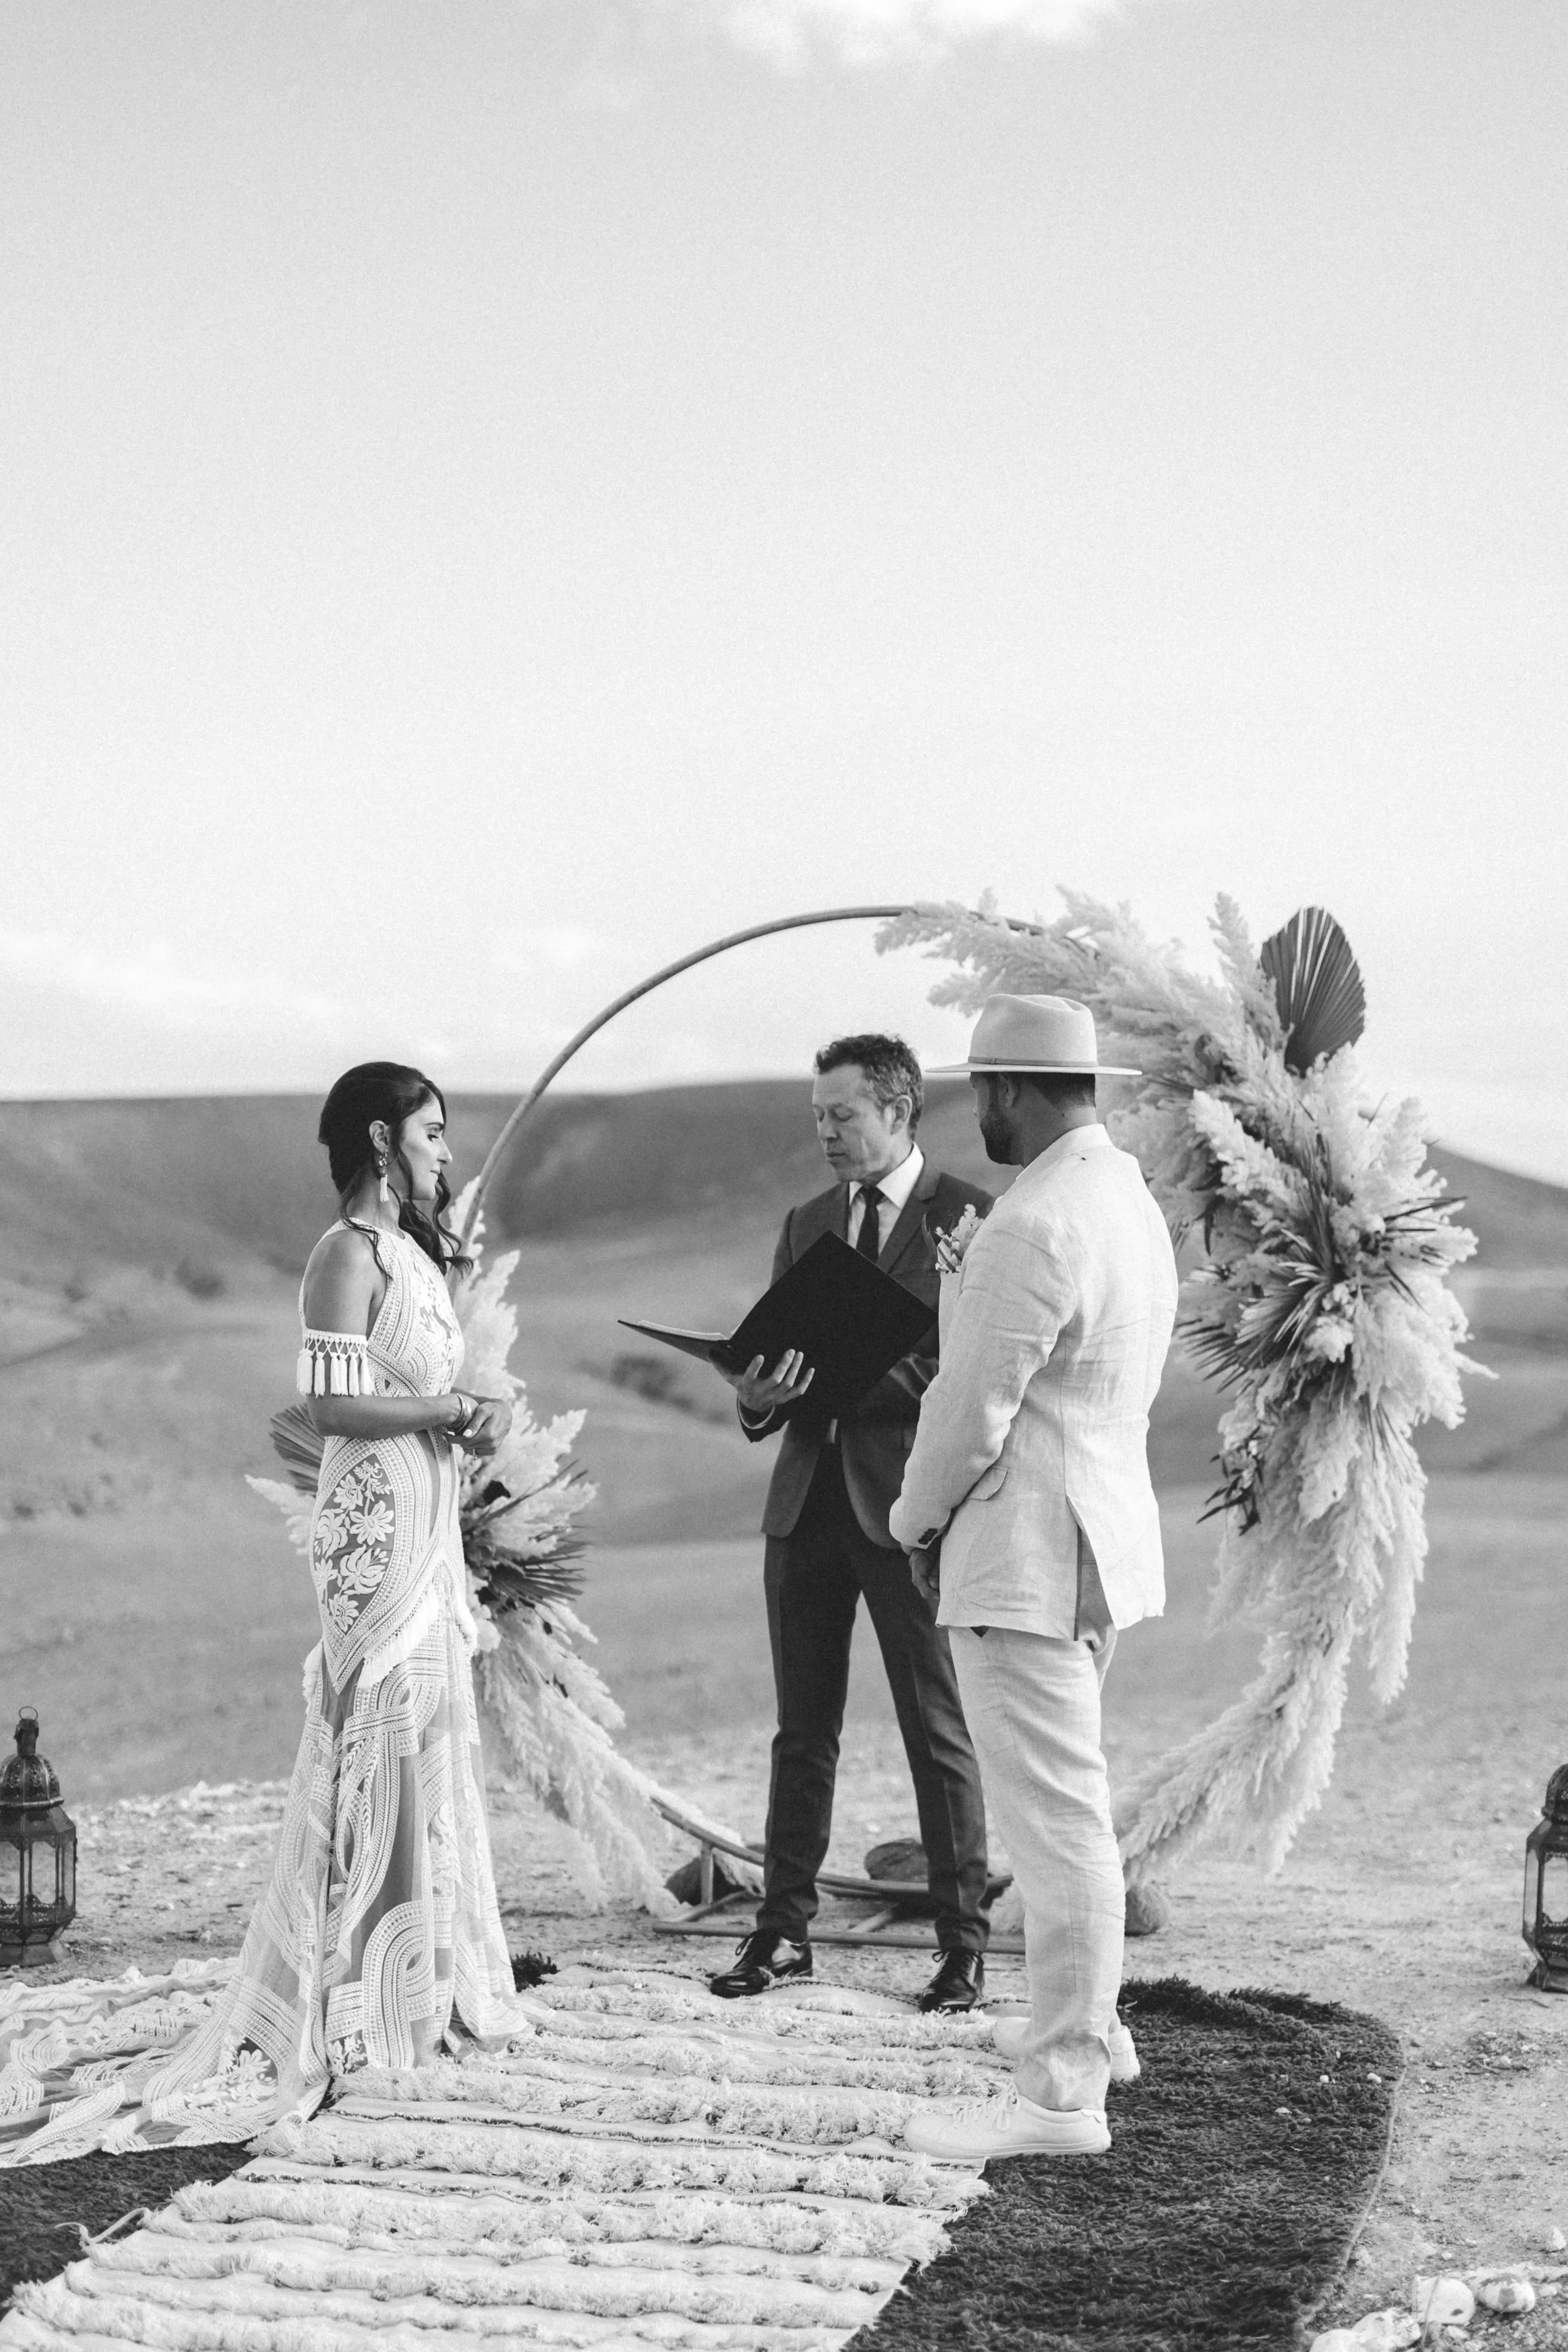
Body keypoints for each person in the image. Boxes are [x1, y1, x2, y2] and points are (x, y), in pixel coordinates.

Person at [5, 1065, 531, 2163]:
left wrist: (462, 1422)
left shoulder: (417, 1256)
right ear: (384, 1138)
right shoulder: (341, 1255)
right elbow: (331, 1403)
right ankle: (361, 1993)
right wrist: (448, 1408)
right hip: (372, 1527)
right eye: (433, 1132)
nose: (445, 1149)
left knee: (429, 1727)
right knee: (379, 1727)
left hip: (427, 1515)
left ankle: (424, 1979)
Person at [889, 996, 1178, 2160]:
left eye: (980, 1092)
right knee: (1073, 1806)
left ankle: (1061, 2095)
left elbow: (970, 1411)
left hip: (1024, 1555)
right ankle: (1090, 2029)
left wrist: (914, 1521)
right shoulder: (1125, 1198)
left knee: (1057, 1830)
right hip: (1096, 1540)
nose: (977, 1114)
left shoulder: (1034, 1219)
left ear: (1012, 1087)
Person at [706, 1033, 996, 2013]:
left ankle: (964, 1947)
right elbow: (777, 1375)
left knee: (936, 1729)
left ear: (901, 1109)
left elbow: (971, 1372)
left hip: (908, 1510)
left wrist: (853, 1377)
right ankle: (782, 1933)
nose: (826, 1133)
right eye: (817, 1117)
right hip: (804, 1508)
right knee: (803, 1731)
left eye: (844, 1116)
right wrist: (758, 1393)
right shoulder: (806, 1222)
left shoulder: (972, 1217)